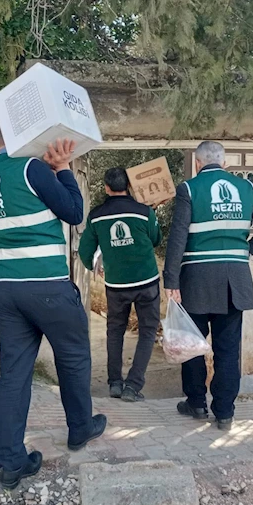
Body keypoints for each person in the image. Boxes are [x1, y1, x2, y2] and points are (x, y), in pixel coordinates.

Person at [0, 119, 107, 490]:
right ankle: (80, 428)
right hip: (47, 285)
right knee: (73, 357)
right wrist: (62, 169)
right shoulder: (31, 168)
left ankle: (10, 463)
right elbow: (74, 212)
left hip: (5, 290)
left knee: (14, 376)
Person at [163, 141, 253, 431]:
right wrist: (249, 249)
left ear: (197, 163)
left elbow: (178, 237)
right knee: (228, 350)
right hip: (235, 280)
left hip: (196, 279)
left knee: (192, 343)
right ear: (224, 162)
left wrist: (171, 280)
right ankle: (225, 413)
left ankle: (196, 403)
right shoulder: (246, 189)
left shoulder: (189, 189)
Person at [78, 167, 162, 402]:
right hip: (146, 282)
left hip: (116, 285)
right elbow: (156, 239)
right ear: (129, 186)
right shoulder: (144, 212)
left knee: (115, 331)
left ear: (106, 187)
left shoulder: (96, 216)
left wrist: (94, 266)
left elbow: (85, 251)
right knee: (147, 332)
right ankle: (133, 386)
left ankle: (115, 383)